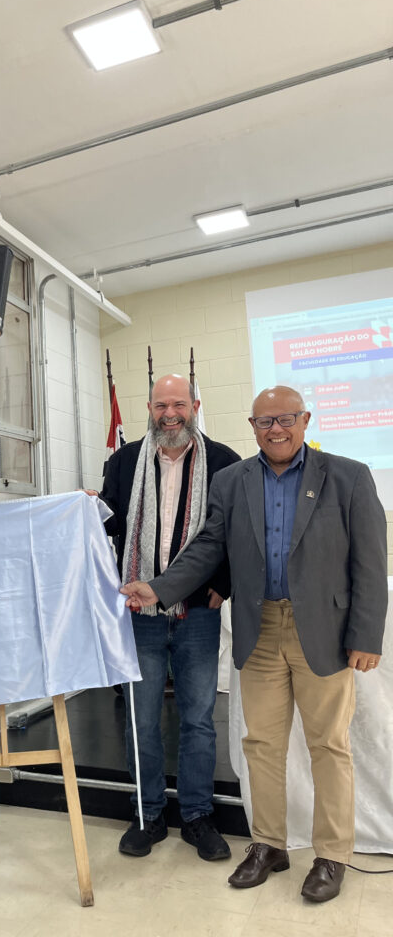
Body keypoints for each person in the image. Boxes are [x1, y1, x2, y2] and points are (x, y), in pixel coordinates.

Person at [123, 385, 387, 902]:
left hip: (325, 634)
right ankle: (269, 844)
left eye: (286, 418)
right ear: (252, 426)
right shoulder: (232, 480)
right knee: (261, 745)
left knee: (328, 746)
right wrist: (158, 588)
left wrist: (365, 635)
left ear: (305, 419)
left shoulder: (349, 476)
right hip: (259, 627)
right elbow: (207, 548)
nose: (276, 429)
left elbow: (371, 563)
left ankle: (332, 854)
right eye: (265, 422)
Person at [97, 374, 240, 861]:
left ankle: (198, 817)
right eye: (161, 405)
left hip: (199, 611)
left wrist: (226, 585)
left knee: (198, 719)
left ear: (195, 405)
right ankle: (148, 814)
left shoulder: (224, 463)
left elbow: (234, 536)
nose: (170, 414)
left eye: (179, 404)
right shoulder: (123, 461)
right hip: (139, 613)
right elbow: (110, 527)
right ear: (150, 408)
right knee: (142, 719)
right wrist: (86, 510)